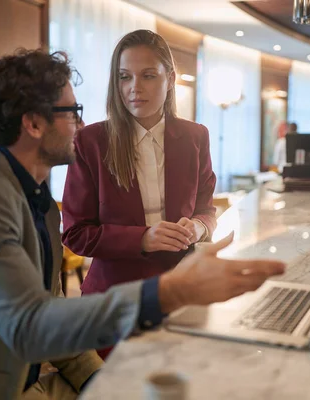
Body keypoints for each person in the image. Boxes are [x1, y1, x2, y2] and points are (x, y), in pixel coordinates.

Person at [0, 49, 285, 400]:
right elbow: (30, 325)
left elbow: (51, 308)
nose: (81, 125)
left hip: (33, 377)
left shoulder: (38, 201)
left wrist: (96, 378)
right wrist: (170, 290)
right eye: (71, 112)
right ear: (33, 124)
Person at [62, 31, 215, 296]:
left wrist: (199, 227)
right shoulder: (91, 142)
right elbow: (76, 234)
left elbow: (206, 210)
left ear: (170, 79)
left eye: (148, 75)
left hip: (184, 285)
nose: (135, 87)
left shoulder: (196, 136)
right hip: (115, 294)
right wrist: (143, 238)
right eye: (125, 77)